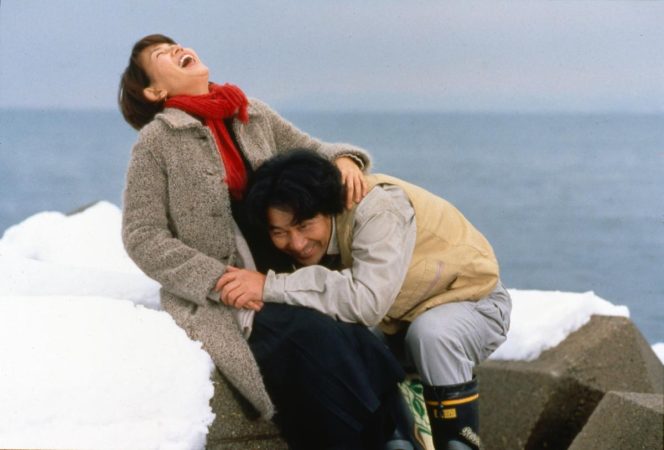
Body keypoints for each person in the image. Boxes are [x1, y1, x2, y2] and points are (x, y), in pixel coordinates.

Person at [119, 34, 408, 449]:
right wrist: (219, 280)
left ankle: (397, 439)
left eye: (176, 44)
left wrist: (344, 159)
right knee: (314, 339)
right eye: (161, 55)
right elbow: (142, 236)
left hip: (284, 277)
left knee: (357, 337)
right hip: (224, 297)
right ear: (155, 91)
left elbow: (312, 150)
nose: (178, 49)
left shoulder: (251, 113)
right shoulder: (156, 143)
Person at [219, 149, 512, 450]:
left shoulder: (378, 208)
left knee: (431, 334)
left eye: (305, 225)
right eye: (280, 232)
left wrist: (270, 285)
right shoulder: (304, 236)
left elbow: (366, 301)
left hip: (473, 303)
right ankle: (397, 439)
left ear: (330, 207)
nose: (296, 244)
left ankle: (459, 444)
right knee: (337, 331)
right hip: (396, 323)